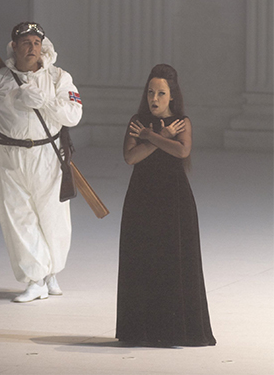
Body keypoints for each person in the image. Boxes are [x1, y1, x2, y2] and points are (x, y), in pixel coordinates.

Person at [0, 22, 83, 303]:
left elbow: (74, 114)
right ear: (14, 46)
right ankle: (35, 279)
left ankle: (51, 272)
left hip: (48, 155)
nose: (32, 48)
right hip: (10, 156)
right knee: (18, 217)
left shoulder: (58, 78)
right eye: (26, 43)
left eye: (36, 43)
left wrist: (44, 102)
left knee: (53, 216)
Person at [116, 64, 216, 347]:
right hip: (141, 198)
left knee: (172, 261)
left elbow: (182, 150)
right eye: (150, 92)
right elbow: (130, 157)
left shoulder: (181, 122)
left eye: (161, 93)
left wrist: (150, 137)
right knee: (142, 259)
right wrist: (162, 137)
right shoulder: (138, 120)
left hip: (174, 201)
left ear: (172, 95)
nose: (154, 98)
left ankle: (174, 332)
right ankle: (140, 331)